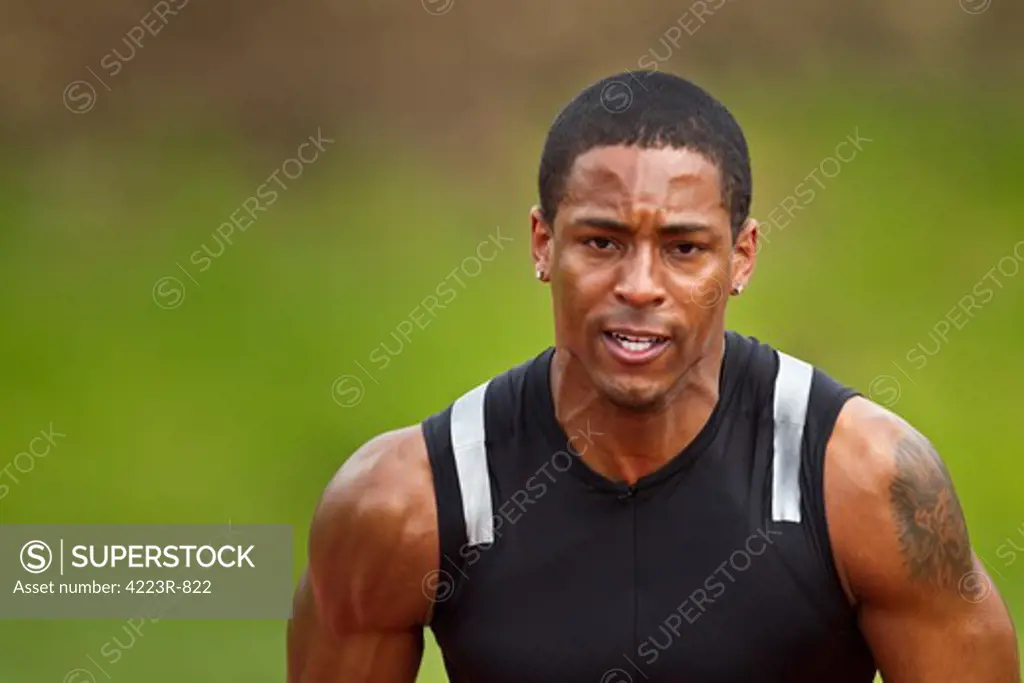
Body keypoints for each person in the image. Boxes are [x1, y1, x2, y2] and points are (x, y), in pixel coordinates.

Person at [286, 70, 1020, 682]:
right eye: (602, 241)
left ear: (742, 257)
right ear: (543, 243)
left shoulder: (864, 484)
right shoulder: (400, 506)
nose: (640, 284)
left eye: (684, 247)